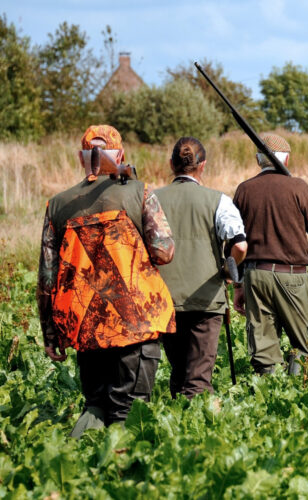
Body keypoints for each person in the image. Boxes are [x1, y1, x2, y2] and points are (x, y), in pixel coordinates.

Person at [36, 125, 175, 437]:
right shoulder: (139, 192)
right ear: (121, 155)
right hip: (134, 323)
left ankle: (72, 466)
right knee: (130, 411)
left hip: (85, 326)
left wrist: (49, 333)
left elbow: (47, 277)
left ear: (80, 158)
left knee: (96, 405)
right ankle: (122, 475)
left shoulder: (57, 205)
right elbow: (165, 252)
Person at [155, 137, 247, 397]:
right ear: (202, 166)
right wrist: (229, 272)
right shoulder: (218, 200)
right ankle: (196, 431)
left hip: (166, 300)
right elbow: (240, 246)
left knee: (179, 372)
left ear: (171, 164)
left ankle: (176, 426)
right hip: (206, 301)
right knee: (198, 379)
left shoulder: (151, 199)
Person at [233, 134, 308, 375]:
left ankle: (270, 398)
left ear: (259, 160)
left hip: (255, 277)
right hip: (291, 277)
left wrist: (237, 285)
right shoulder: (298, 187)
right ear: (285, 159)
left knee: (263, 351)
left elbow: (233, 241)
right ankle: (299, 395)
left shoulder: (244, 190)